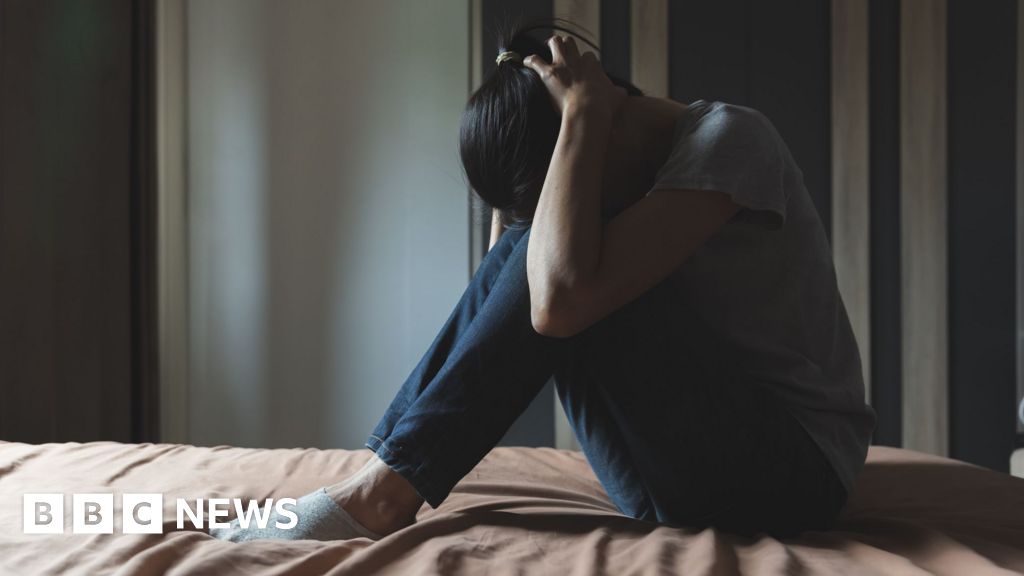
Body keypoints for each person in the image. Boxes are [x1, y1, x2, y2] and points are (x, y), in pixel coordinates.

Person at [212, 21, 876, 543]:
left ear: (603, 124)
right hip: (676, 473)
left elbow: (556, 302)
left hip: (792, 472)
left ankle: (384, 491)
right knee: (540, 253)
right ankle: (379, 474)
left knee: (557, 268)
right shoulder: (628, 183)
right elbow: (520, 282)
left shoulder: (732, 138)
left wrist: (584, 114)